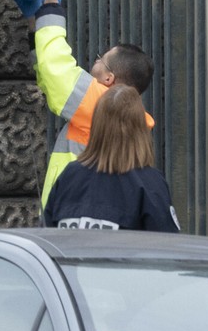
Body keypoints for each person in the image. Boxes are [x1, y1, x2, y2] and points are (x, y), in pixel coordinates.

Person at [14, 0, 155, 207]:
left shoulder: (102, 106)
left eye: (101, 59)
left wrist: (50, 4)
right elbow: (50, 80)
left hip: (75, 216)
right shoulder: (126, 118)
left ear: (109, 79)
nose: (96, 62)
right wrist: (34, 23)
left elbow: (57, 71)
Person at [42, 84, 179, 231]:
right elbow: (166, 245)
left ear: (96, 124)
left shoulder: (69, 176)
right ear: (139, 129)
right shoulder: (149, 183)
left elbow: (48, 238)